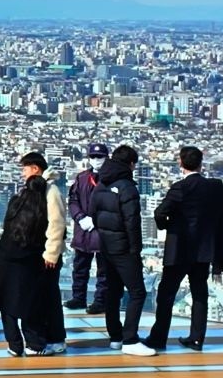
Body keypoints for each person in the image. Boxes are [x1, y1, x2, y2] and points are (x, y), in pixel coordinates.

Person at [144, 146, 223, 352]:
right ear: (200, 164)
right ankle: (196, 339)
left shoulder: (179, 188)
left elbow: (160, 213)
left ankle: (158, 338)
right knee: (199, 294)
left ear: (180, 163)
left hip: (179, 250)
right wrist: (215, 221)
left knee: (166, 294)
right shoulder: (214, 187)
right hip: (204, 251)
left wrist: (170, 226)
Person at [0, 152, 68, 357]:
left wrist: (51, 254)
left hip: (42, 256)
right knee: (41, 299)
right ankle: (44, 340)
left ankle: (51, 339)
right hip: (33, 255)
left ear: (35, 169)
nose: (22, 173)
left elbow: (56, 225)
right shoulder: (34, 191)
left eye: (24, 168)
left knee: (45, 298)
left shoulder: (50, 192)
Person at [91, 144, 154, 356]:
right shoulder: (127, 187)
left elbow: (93, 212)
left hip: (105, 245)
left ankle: (116, 337)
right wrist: (135, 250)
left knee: (113, 291)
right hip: (123, 247)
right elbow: (132, 222)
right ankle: (130, 339)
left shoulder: (101, 183)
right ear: (131, 164)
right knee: (137, 292)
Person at [67, 142, 110, 314]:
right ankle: (78, 298)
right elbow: (73, 200)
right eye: (93, 157)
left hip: (101, 231)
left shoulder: (112, 179)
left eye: (99, 157)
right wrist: (80, 217)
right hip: (83, 230)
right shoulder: (82, 177)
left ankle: (100, 301)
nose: (96, 160)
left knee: (103, 270)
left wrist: (97, 220)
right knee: (80, 266)